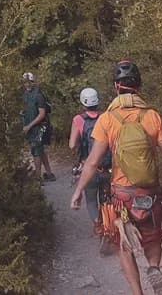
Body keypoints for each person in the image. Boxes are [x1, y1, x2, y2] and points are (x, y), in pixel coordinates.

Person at [71, 61, 162, 295]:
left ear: (115, 87)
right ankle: (154, 268)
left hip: (121, 197)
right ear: (139, 85)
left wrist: (78, 193)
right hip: (150, 195)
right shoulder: (152, 116)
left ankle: (137, 292)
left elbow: (92, 162)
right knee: (152, 239)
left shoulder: (107, 120)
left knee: (123, 246)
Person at [68, 86, 109, 233]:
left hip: (88, 168)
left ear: (82, 102)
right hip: (107, 167)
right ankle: (108, 226)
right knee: (107, 201)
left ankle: (98, 226)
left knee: (91, 200)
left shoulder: (78, 120)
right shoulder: (106, 117)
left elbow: (72, 145)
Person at [20, 72, 54, 182]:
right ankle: (49, 174)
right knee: (40, 150)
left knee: (36, 150)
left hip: (38, 128)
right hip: (30, 127)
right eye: (26, 82)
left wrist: (29, 126)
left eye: (30, 82)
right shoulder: (25, 94)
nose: (28, 84)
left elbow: (42, 114)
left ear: (33, 82)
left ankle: (38, 178)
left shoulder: (38, 95)